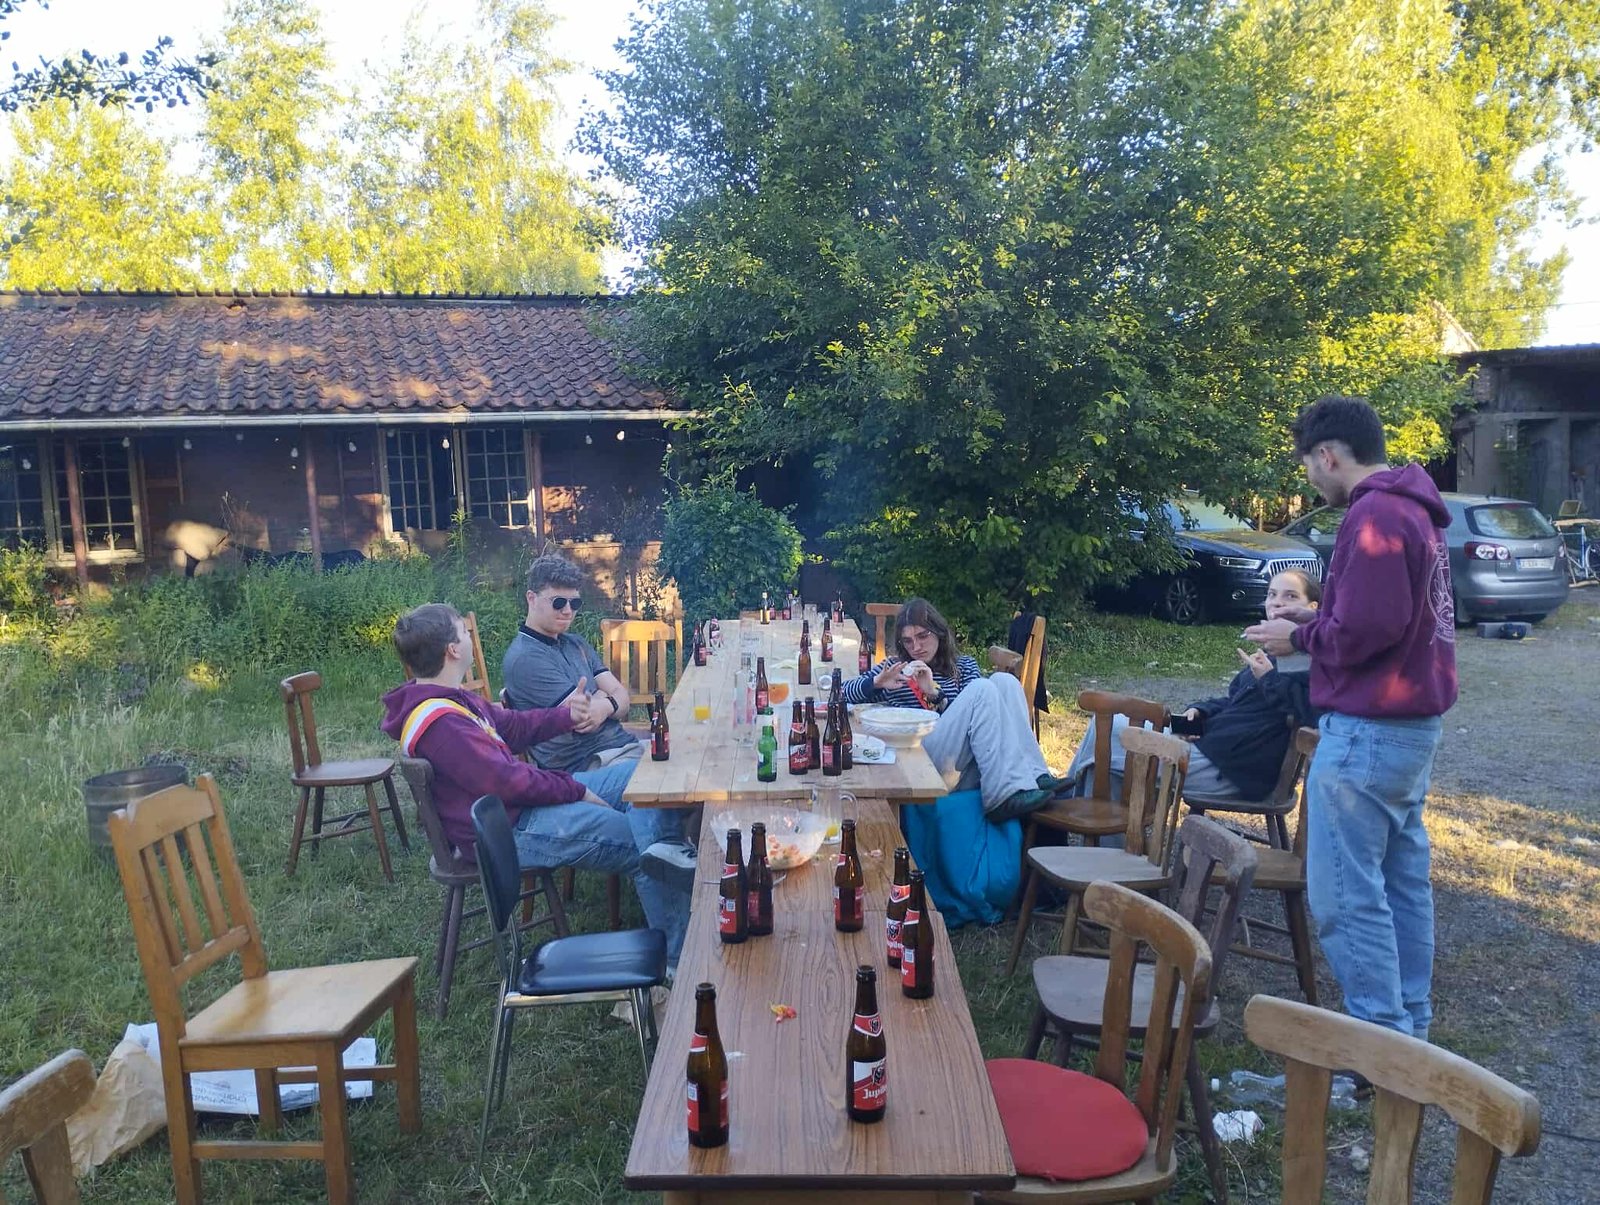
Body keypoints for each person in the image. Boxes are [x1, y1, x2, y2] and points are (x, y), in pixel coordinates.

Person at [1244, 394, 1457, 1040]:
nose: (1311, 477)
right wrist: (1317, 615)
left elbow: (1369, 630)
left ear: (1328, 455)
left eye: (1309, 464)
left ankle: (1376, 1043)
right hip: (1410, 729)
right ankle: (1408, 1037)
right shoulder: (1414, 509)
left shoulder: (1374, 516)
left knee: (1344, 894)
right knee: (1400, 884)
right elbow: (1395, 618)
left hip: (1369, 730)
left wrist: (1297, 639)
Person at [380, 603, 691, 963]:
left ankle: (677, 874)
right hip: (509, 830)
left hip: (519, 807)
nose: (469, 638)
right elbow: (505, 781)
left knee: (646, 775)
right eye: (464, 632)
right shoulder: (442, 725)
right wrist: (576, 789)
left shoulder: (450, 698)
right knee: (648, 848)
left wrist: (566, 716)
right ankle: (677, 959)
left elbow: (512, 727)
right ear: (452, 650)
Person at [1067, 570, 1322, 803]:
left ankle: (1059, 807)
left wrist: (1267, 677)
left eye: (1290, 596)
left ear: (1313, 609)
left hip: (1229, 769)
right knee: (1107, 727)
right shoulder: (1275, 654)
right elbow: (1234, 702)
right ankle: (1089, 826)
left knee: (1106, 734)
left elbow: (1310, 713)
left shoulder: (1309, 661)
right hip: (1209, 746)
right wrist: (1200, 711)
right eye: (1272, 594)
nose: (1277, 602)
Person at [841, 598, 1067, 819]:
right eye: (908, 641)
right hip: (921, 758)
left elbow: (978, 717)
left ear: (939, 632)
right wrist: (875, 683)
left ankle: (1036, 775)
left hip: (962, 762)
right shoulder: (896, 669)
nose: (916, 647)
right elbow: (840, 693)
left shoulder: (963, 666)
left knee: (1005, 682)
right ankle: (1001, 797)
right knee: (983, 688)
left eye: (922, 636)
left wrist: (934, 693)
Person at [502, 553, 642, 773]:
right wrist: (606, 697)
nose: (567, 611)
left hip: (621, 749)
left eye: (574, 603)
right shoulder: (526, 659)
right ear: (531, 598)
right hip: (587, 766)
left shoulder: (576, 643)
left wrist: (604, 705)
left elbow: (623, 697)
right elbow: (582, 718)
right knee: (672, 776)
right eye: (558, 602)